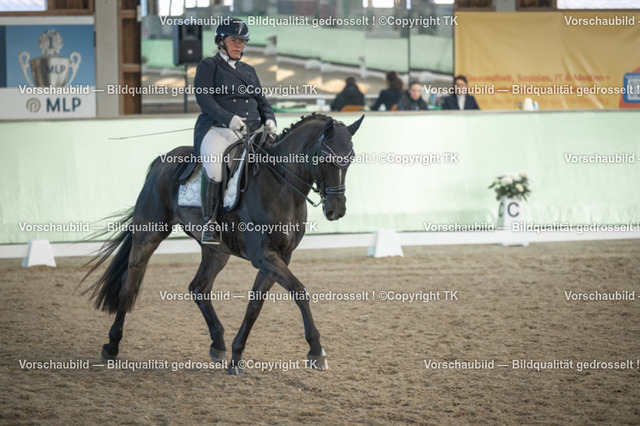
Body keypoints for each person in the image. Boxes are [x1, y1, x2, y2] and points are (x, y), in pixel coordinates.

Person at [193, 17, 277, 244]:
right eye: (234, 40)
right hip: (220, 129)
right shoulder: (208, 66)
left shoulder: (248, 70)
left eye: (242, 42)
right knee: (214, 165)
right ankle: (210, 222)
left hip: (253, 130)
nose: (239, 45)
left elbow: (262, 101)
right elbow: (205, 100)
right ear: (220, 41)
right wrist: (229, 118)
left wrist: (270, 120)